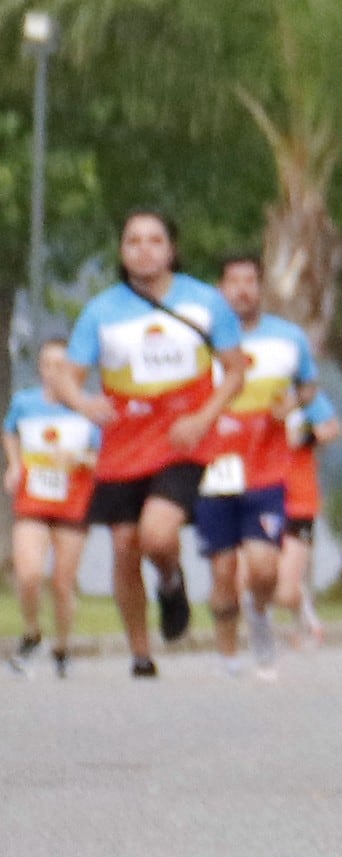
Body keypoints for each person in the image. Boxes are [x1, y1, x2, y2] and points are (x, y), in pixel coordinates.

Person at [47, 212, 242, 680]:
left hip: (183, 441)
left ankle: (170, 580)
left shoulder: (205, 302)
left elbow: (235, 371)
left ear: (171, 249)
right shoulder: (101, 311)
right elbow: (68, 376)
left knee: (157, 533)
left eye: (154, 240)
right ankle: (140, 653)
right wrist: (83, 402)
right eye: (133, 241)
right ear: (122, 251)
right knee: (124, 545)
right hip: (124, 443)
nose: (144, 250)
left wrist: (203, 418)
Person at [198, 256, 317, 677]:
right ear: (219, 289)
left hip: (267, 470)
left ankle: (259, 611)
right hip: (215, 469)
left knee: (264, 566)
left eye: (250, 281)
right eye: (233, 281)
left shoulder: (288, 338)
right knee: (223, 570)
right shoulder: (202, 342)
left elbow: (309, 385)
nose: (242, 290)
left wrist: (294, 402)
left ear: (261, 288)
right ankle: (228, 656)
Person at [11, 381, 97, 673]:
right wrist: (14, 464)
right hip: (32, 501)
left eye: (61, 367)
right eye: (49, 366)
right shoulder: (24, 403)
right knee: (29, 573)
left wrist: (79, 458)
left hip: (73, 502)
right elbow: (9, 432)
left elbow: (106, 457)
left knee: (62, 582)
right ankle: (32, 632)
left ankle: (62, 647)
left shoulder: (90, 408)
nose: (54, 374)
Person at [276, 373, 341, 647]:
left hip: (299, 498)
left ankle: (307, 621)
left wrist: (306, 435)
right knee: (261, 566)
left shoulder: (304, 398)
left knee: (290, 578)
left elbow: (332, 428)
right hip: (261, 493)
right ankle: (303, 622)